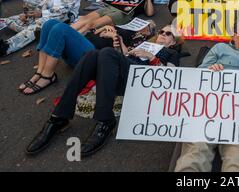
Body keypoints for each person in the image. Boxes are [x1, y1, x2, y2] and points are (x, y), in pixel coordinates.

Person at [26, 25, 184, 157]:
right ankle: (59, 116)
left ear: (173, 41)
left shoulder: (171, 53)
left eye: (168, 33)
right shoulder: (143, 45)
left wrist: (151, 57)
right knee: (92, 54)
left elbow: (169, 78)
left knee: (106, 53)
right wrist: (120, 44)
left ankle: (105, 119)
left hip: (140, 84)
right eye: (161, 32)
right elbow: (122, 59)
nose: (162, 34)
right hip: (120, 73)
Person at [175, 18, 239, 172]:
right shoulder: (220, 48)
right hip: (210, 109)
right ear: (234, 35)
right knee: (195, 154)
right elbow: (199, 74)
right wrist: (211, 70)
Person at [18, 18, 156, 94]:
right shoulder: (124, 27)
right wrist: (102, 29)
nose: (144, 24)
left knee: (60, 29)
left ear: (149, 33)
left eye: (148, 25)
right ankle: (40, 72)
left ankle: (48, 76)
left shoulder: (139, 40)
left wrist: (115, 36)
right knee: (49, 24)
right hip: (83, 45)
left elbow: (125, 56)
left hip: (93, 57)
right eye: (144, 22)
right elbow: (91, 31)